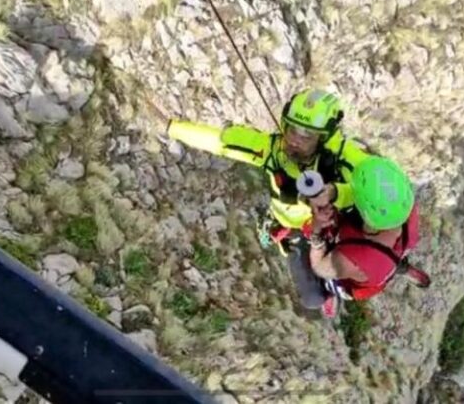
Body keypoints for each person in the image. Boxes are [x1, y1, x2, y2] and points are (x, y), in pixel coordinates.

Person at [167, 88, 373, 308]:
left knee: (353, 278)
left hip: (333, 228)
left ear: (324, 138)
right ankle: (323, 286)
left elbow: (372, 188)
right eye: (292, 129)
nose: (294, 140)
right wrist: (174, 129)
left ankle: (332, 286)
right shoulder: (272, 150)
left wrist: (337, 193)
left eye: (307, 135)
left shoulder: (345, 158)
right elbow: (223, 142)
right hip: (295, 230)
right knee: (313, 299)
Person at [300, 156, 431, 318]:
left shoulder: (353, 260)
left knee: (329, 280)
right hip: (387, 258)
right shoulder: (402, 205)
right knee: (390, 260)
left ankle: (331, 293)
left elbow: (319, 266)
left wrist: (317, 232)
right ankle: (401, 267)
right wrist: (334, 193)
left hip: (360, 278)